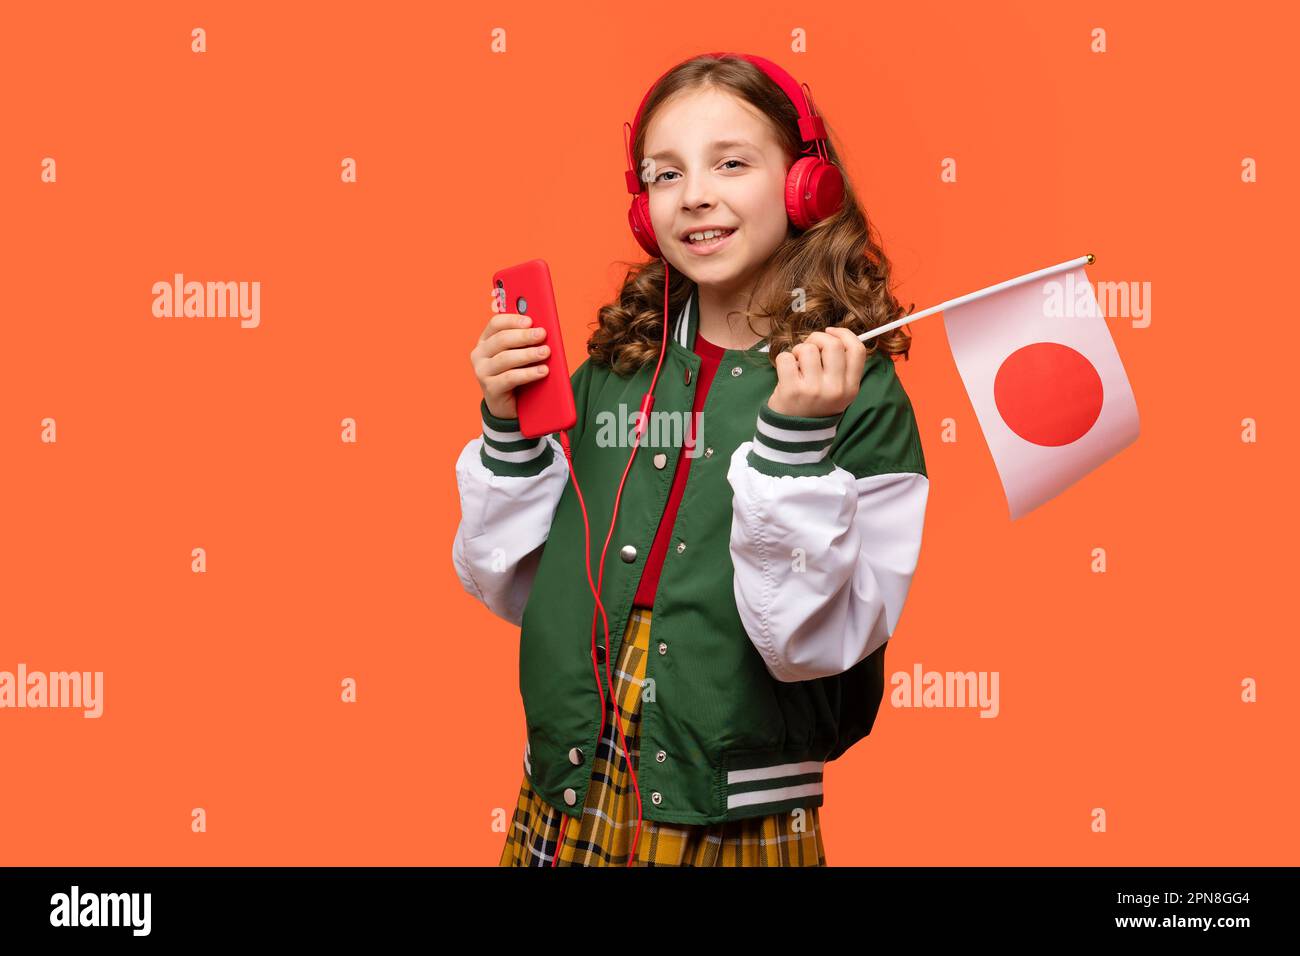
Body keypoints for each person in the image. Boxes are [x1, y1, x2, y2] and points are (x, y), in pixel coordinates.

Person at [453, 52, 929, 866]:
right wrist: (509, 426)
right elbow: (518, 583)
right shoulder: (616, 364)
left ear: (804, 185)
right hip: (569, 785)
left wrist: (793, 446)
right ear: (645, 211)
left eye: (732, 163)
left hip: (730, 810)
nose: (695, 195)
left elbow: (809, 643)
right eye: (664, 175)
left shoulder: (861, 396)